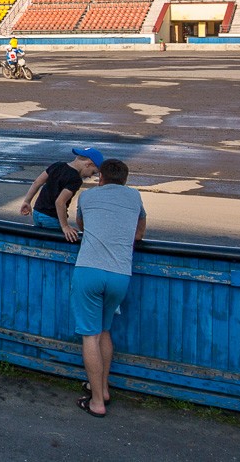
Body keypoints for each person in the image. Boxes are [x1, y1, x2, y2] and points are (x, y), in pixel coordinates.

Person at [71, 158, 146, 417]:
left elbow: (82, 225)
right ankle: (102, 390)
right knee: (104, 330)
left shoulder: (87, 196)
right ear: (125, 179)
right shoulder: (134, 197)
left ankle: (96, 403)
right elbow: (139, 233)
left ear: (100, 177)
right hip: (120, 274)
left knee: (90, 335)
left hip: (89, 270)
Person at [20, 148, 102, 237]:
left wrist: (27, 201)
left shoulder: (57, 165)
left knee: (41, 238)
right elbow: (60, 202)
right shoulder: (76, 179)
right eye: (93, 172)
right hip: (51, 217)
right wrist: (65, 226)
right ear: (88, 164)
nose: (90, 176)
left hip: (37, 212)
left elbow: (37, 182)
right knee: (55, 240)